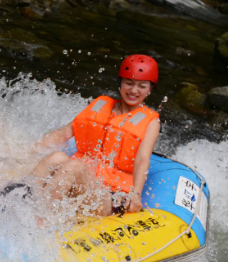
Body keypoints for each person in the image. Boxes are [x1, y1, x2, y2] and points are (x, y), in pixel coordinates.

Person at [30, 54, 161, 216]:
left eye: (142, 86)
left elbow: (142, 159)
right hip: (79, 183)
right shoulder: (101, 105)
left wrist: (135, 194)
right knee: (56, 157)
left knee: (74, 166)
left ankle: (40, 220)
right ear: (120, 83)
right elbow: (62, 134)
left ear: (150, 89)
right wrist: (26, 153)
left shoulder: (151, 122)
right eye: (129, 83)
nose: (133, 90)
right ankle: (19, 196)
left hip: (110, 196)